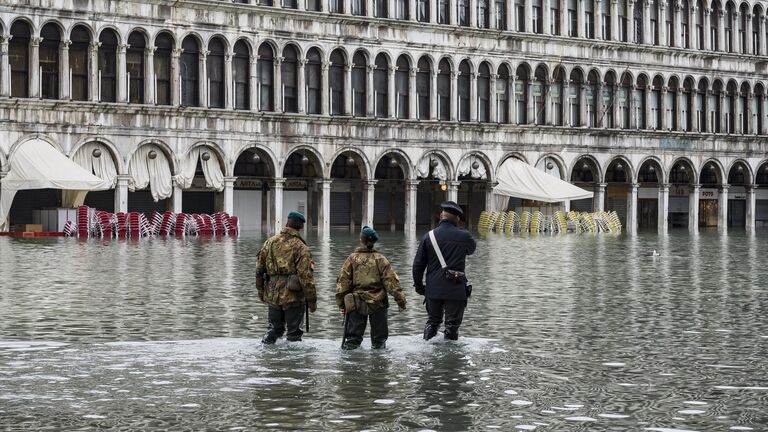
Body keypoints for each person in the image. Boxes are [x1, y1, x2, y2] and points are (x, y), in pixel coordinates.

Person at [412, 201, 476, 341]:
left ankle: (427, 346)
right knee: (452, 326)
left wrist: (419, 287)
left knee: (433, 322)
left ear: (441, 216)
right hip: (455, 288)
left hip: (433, 288)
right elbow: (471, 251)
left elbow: (418, 265)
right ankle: (451, 359)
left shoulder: (428, 236)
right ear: (457, 218)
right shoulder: (465, 236)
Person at [336, 226, 406, 350]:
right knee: (379, 343)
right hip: (378, 303)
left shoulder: (352, 259)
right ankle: (379, 368)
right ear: (374, 242)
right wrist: (401, 301)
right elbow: (392, 283)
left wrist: (342, 304)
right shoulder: (381, 259)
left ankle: (350, 368)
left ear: (361, 239)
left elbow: (343, 283)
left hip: (356, 303)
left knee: (352, 342)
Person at [256, 211, 317, 344]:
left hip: (272, 293)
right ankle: (293, 363)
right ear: (301, 227)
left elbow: (259, 270)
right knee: (294, 334)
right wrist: (312, 301)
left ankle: (266, 351)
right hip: (293, 296)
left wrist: (261, 291)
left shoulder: (269, 243)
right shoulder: (301, 248)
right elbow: (305, 278)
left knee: (274, 329)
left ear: (286, 223)